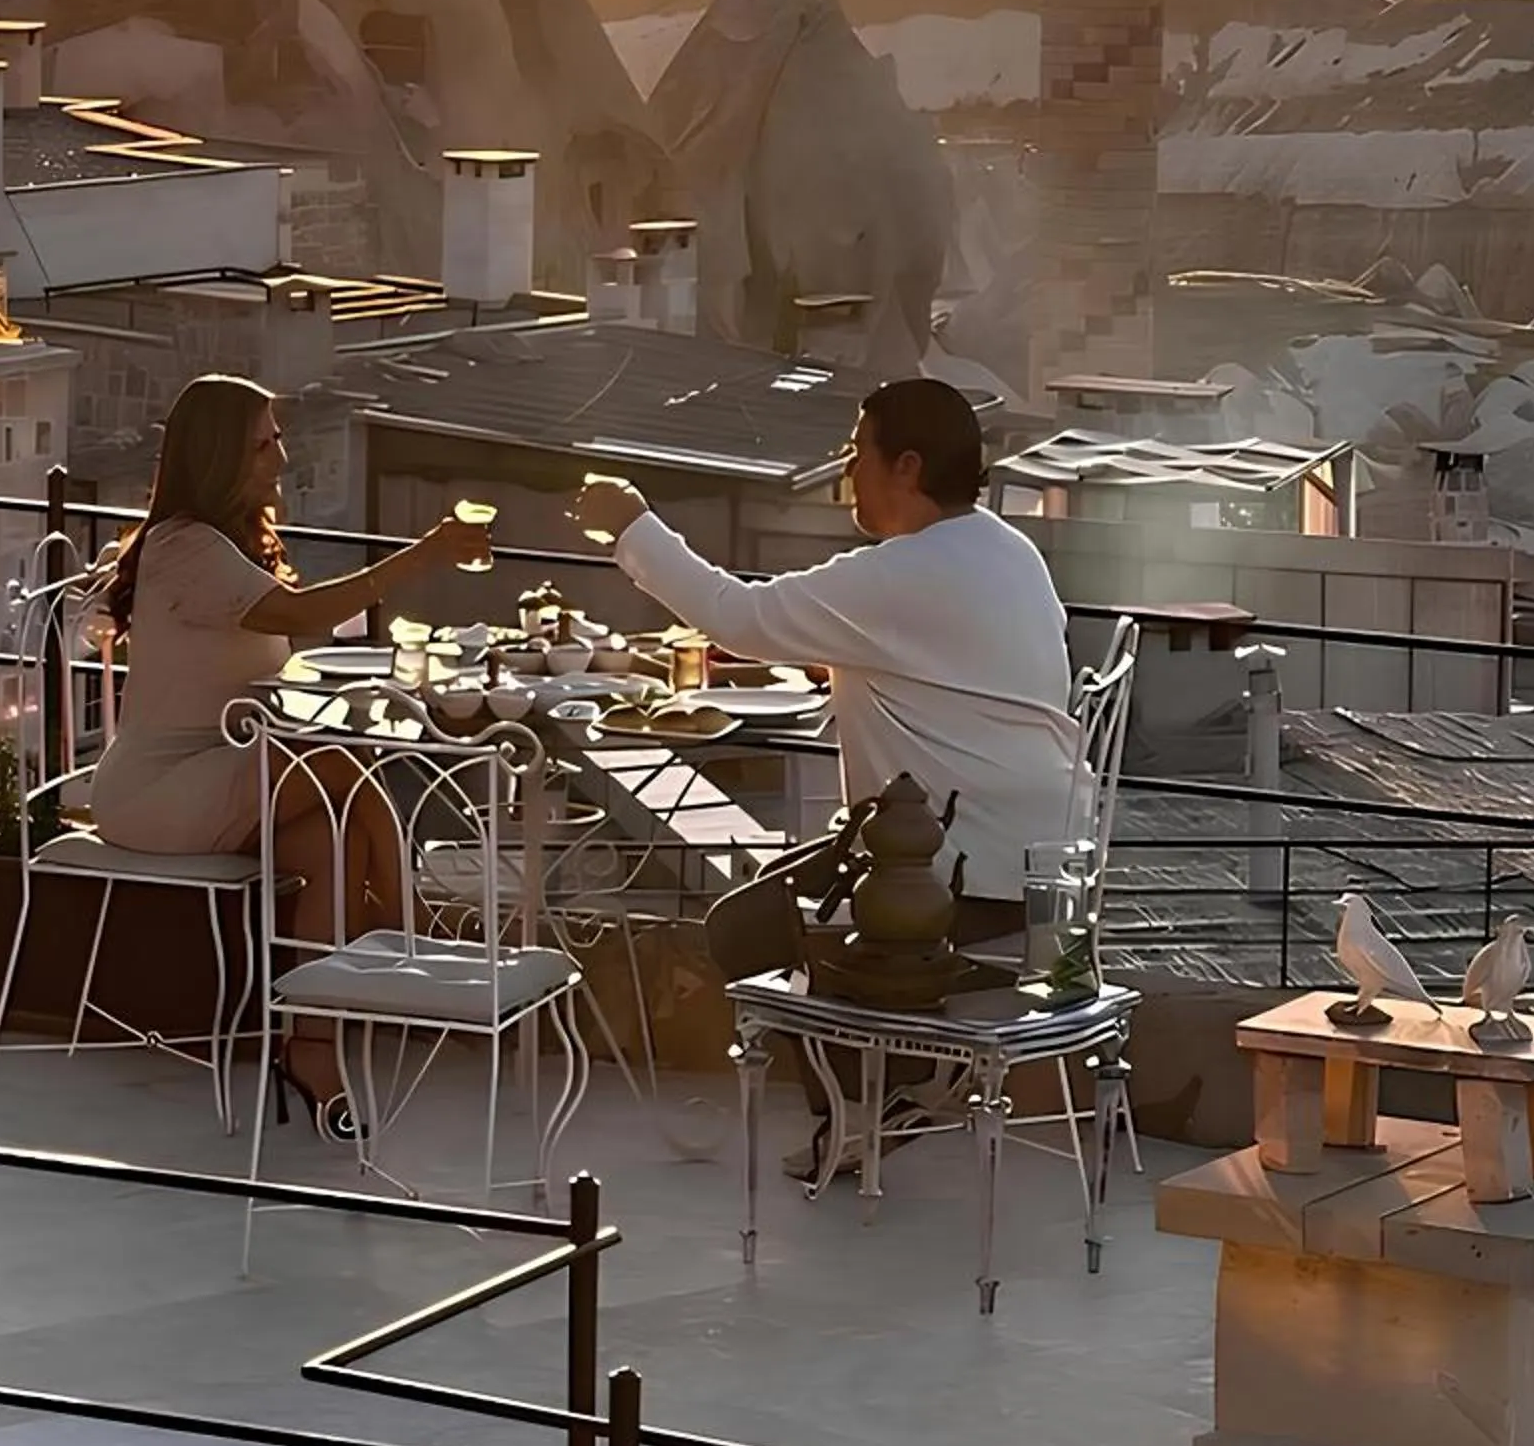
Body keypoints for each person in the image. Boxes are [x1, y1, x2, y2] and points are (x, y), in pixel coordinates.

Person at [88, 373, 482, 1134]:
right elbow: (300, 615)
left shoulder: (227, 540)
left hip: (220, 769)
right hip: (157, 789)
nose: (282, 456)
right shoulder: (184, 548)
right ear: (218, 456)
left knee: (330, 837)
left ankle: (313, 1045)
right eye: (264, 443)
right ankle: (412, 939)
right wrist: (420, 557)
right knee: (350, 765)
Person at [578, 374, 1086, 929]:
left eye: (857, 451)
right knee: (762, 902)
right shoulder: (1010, 550)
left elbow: (735, 616)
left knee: (742, 930)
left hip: (957, 877)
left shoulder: (903, 572)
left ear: (907, 466)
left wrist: (632, 525)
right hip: (1038, 862)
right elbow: (960, 677)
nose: (847, 471)